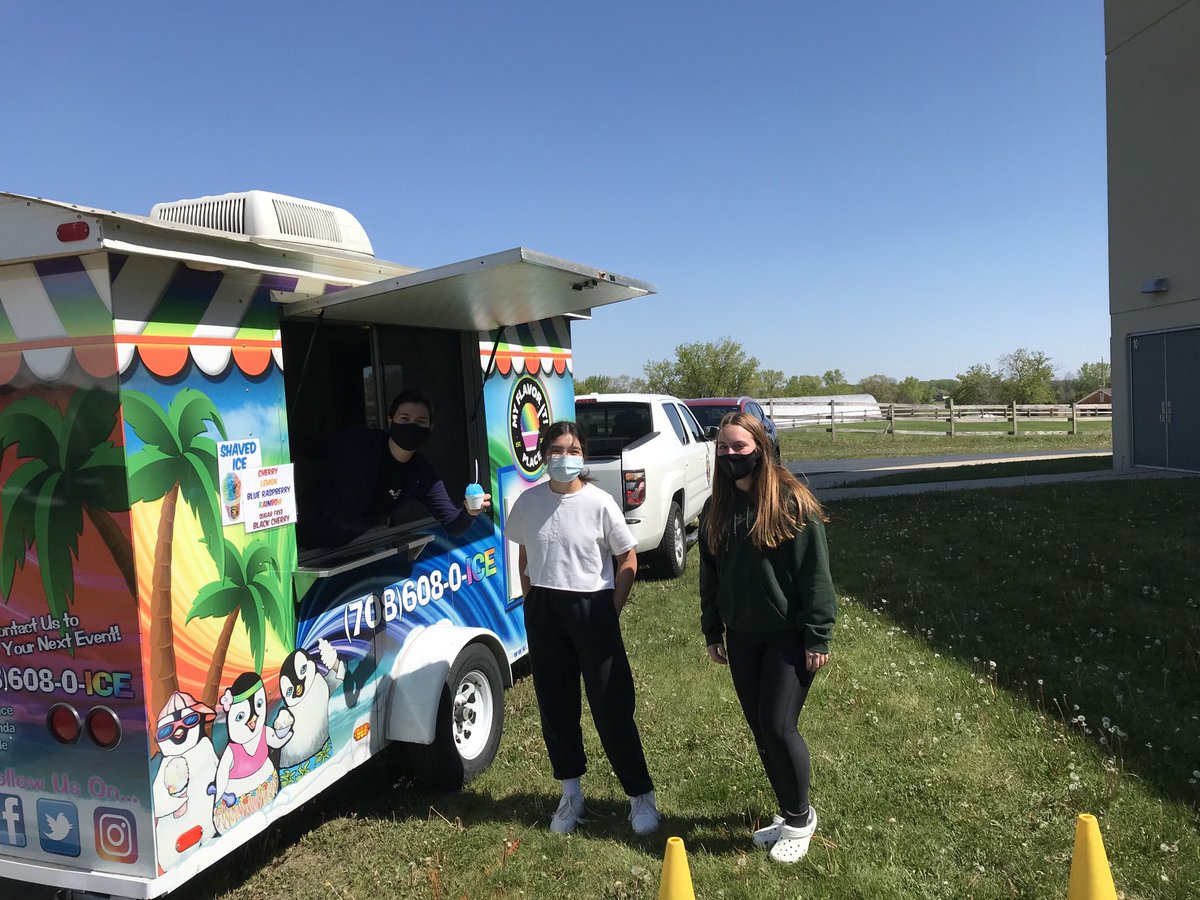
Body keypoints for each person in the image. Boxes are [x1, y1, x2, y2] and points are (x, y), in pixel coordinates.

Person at [504, 421, 659, 836]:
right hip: (544, 610)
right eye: (557, 449)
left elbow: (627, 559)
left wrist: (611, 608)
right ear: (544, 455)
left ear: (583, 456)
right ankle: (571, 795)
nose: (564, 457)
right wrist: (531, 598)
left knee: (611, 705)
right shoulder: (527, 503)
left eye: (573, 450)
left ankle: (640, 795)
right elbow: (523, 554)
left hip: (592, 608)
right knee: (556, 707)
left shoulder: (600, 503)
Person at [699, 411, 836, 864]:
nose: (731, 455)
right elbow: (711, 576)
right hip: (741, 636)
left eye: (740, 447)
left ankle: (801, 820)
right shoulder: (716, 507)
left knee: (779, 726)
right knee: (761, 730)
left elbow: (815, 574)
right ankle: (787, 812)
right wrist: (712, 628)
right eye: (724, 448)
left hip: (788, 636)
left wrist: (817, 635)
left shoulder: (792, 501)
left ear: (761, 447)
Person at [303, 389, 490, 548]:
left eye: (420, 421)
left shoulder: (421, 475)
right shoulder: (358, 441)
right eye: (404, 418)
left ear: (430, 427)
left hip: (339, 549)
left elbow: (453, 525)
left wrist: (469, 513)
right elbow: (305, 451)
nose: (411, 426)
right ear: (390, 420)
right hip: (298, 539)